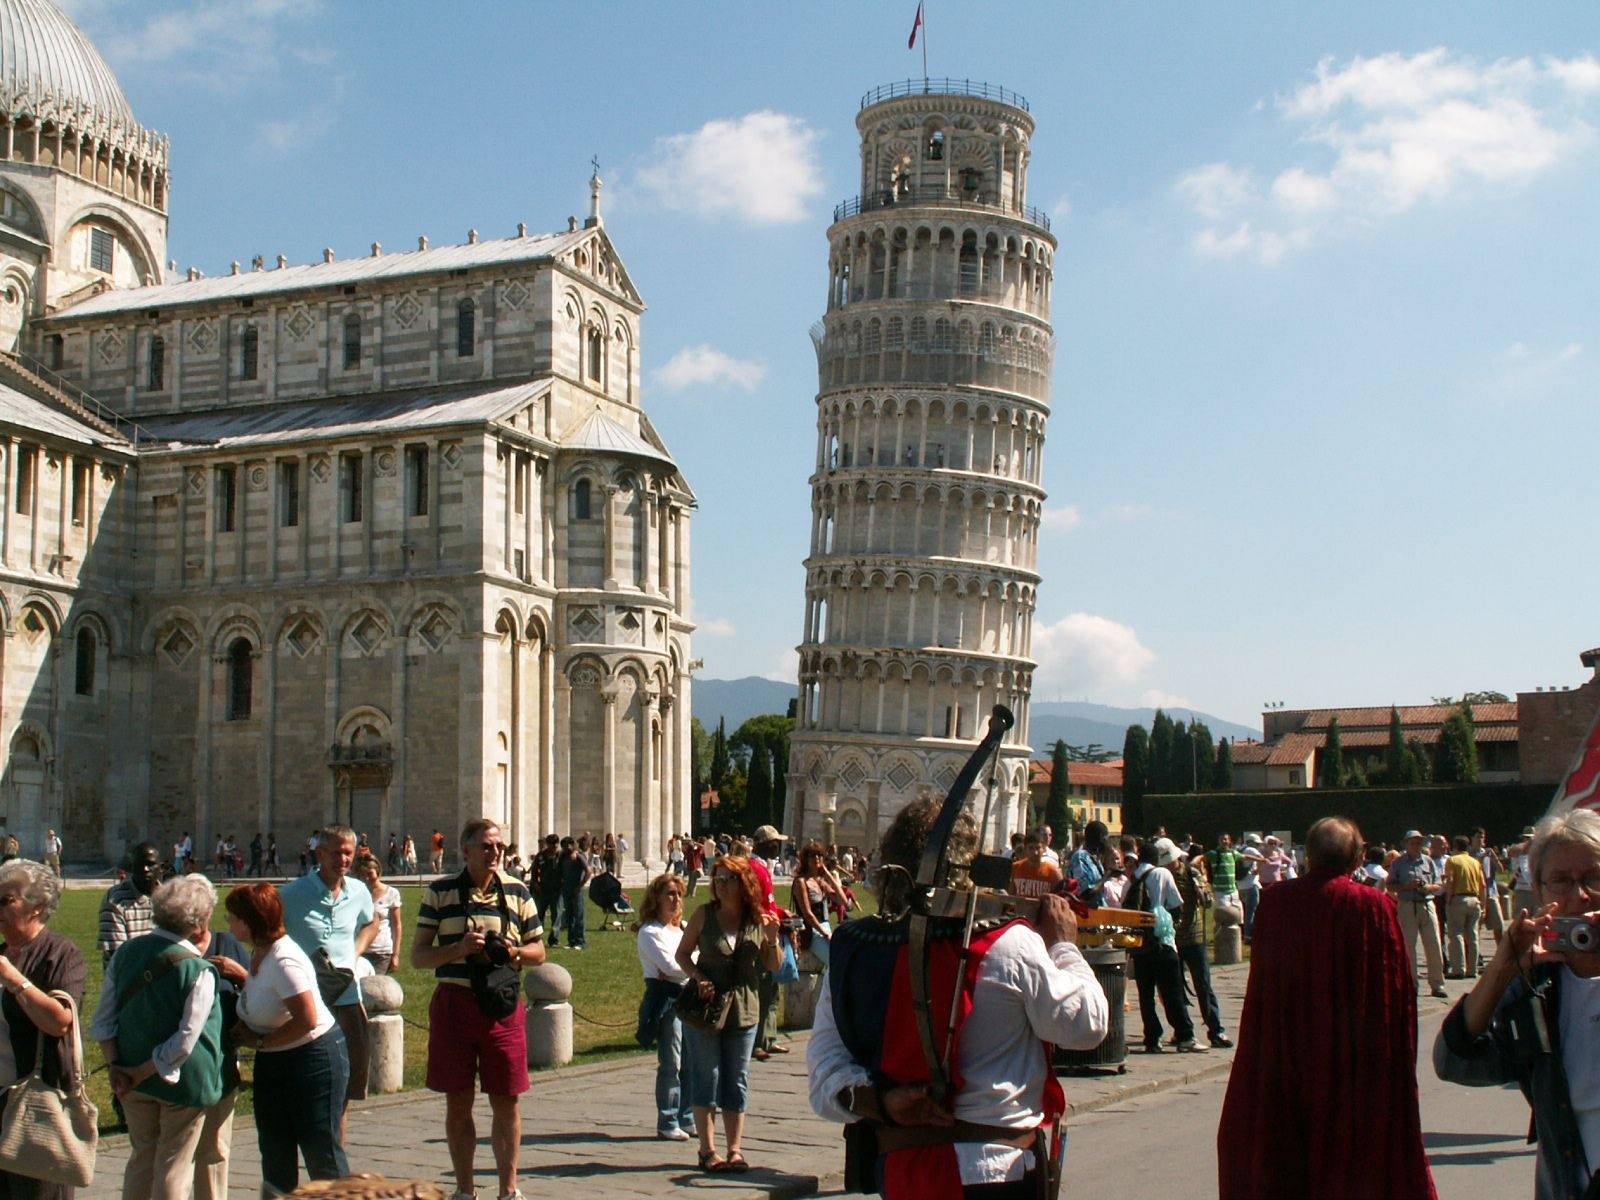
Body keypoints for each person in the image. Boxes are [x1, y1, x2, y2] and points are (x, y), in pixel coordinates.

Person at [806, 796, 1109, 1199]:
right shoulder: (1012, 944)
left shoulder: (857, 949)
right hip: (997, 1176)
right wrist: (1064, 946)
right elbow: (1086, 1025)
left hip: (906, 1177)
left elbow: (826, 1072)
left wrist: (881, 1101)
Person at [1219, 817, 1436, 1200]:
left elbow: (1263, 984)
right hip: (1353, 1056)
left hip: (1289, 1051)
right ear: (1356, 860)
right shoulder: (1373, 906)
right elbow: (1395, 991)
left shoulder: (1276, 902)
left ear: (1309, 856)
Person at [1434, 808, 1600, 1200]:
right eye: (1561, 881)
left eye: (1594, 877)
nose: (1579, 897)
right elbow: (1454, 1063)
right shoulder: (1535, 985)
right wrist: (1502, 968)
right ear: (1539, 891)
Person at [413, 818, 545, 1200]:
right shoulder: (440, 892)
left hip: (501, 1005)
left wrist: (514, 951)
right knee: (458, 1098)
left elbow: (539, 951)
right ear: (465, 849)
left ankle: (508, 1189)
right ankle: (465, 1190)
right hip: (454, 1003)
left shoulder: (518, 892)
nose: (495, 853)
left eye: (499, 846)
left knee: (507, 1098)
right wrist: (458, 949)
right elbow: (419, 956)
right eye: (486, 846)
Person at [91, 874, 226, 1200]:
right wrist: (139, 1071)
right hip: (182, 1082)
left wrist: (117, 1068)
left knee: (141, 1159)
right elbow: (186, 1038)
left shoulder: (125, 953)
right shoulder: (199, 969)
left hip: (130, 1077)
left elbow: (102, 1020)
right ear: (201, 923)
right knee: (174, 1165)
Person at [218, 882, 349, 1192]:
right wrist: (244, 977)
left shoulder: (285, 960)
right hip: (277, 1062)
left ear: (249, 923)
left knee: (322, 1152)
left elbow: (307, 1019)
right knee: (275, 1150)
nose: (228, 922)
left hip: (313, 1060)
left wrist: (259, 1042)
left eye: (232, 916)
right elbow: (269, 992)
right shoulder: (260, 953)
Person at [675, 855, 784, 1172]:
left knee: (737, 1079)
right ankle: (707, 1150)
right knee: (706, 1075)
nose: (721, 886)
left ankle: (735, 1149)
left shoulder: (757, 919)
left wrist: (774, 939)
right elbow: (682, 954)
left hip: (745, 1010)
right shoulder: (704, 915)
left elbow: (773, 964)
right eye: (718, 880)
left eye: (728, 880)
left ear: (743, 883)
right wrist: (698, 978)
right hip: (707, 1010)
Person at [278, 825, 379, 1133]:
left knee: (345, 1086)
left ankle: (334, 1157)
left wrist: (353, 955)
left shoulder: (359, 891)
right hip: (308, 1002)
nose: (343, 859)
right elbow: (270, 936)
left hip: (347, 1000)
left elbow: (371, 923)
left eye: (348, 852)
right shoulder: (292, 895)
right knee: (305, 1087)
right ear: (319, 854)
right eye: (336, 853)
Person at [0, 859, 86, 1200]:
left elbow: (60, 1022)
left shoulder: (60, 954)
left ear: (37, 907)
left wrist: (14, 980)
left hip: (35, 1107)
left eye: (7, 901)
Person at [635, 873, 695, 1141]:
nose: (675, 899)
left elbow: (694, 959)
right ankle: (668, 1119)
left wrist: (687, 965)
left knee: (691, 1061)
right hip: (666, 999)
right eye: (670, 894)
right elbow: (671, 967)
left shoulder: (680, 929)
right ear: (656, 898)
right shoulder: (649, 932)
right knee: (671, 1060)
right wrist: (688, 965)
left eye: (679, 894)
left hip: (687, 996)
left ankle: (687, 1115)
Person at [1127, 837, 1200, 1053]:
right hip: (1162, 941)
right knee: (1171, 991)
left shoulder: (1134, 878)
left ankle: (1152, 1038)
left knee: (1146, 995)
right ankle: (1185, 1035)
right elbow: (1176, 905)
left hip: (1141, 944)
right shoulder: (1162, 873)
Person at [1171, 842, 1231, 1048]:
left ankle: (1216, 1030)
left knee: (1203, 985)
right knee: (1176, 988)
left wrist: (1201, 890)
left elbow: (1208, 900)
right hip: (1174, 938)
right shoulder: (1163, 875)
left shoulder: (1191, 872)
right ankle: (1182, 1030)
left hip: (1194, 937)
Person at [1388, 829, 1448, 998]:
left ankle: (1437, 984)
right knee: (1409, 947)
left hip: (1427, 904)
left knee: (1434, 944)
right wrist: (1407, 886)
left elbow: (1438, 885)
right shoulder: (1398, 864)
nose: (1416, 845)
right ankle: (1411, 984)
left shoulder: (1428, 861)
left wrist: (1427, 887)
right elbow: (1390, 885)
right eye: (1412, 842)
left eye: (1418, 842)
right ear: (1406, 845)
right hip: (1407, 904)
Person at [98, 841, 162, 965]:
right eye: (139, 864)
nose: (145, 869)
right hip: (126, 980)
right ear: (132, 867)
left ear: (161, 867)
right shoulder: (115, 900)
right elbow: (118, 957)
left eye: (150, 864)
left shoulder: (171, 899)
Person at [1442, 833, 1486, 979]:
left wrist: (1448, 899)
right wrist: (1483, 905)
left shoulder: (1452, 860)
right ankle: (1472, 970)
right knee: (1472, 936)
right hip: (1475, 900)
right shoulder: (1475, 862)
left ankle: (1458, 969)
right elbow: (1483, 885)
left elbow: (1450, 881)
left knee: (1456, 935)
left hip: (1458, 899)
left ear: (1454, 846)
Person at [792, 841, 842, 966]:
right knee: (836, 963)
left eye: (819, 855)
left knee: (840, 962)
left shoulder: (820, 881)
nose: (817, 858)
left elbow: (843, 901)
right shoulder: (800, 882)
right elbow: (807, 913)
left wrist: (829, 875)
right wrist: (825, 934)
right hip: (812, 931)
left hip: (825, 926)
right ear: (805, 859)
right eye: (812, 855)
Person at [357, 854, 403, 975]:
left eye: (370, 873)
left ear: (377, 871)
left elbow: (397, 925)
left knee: (374, 990)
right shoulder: (358, 893)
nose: (367, 878)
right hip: (360, 950)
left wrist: (396, 955)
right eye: (363, 875)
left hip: (381, 952)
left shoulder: (392, 893)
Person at [1471, 826, 1507, 951]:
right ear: (1472, 839)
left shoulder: (1488, 853)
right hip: (1476, 894)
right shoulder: (1470, 853)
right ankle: (1477, 954)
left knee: (1499, 924)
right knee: (1477, 927)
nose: (1480, 840)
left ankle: (1501, 951)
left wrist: (1494, 858)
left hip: (1491, 893)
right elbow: (1472, 866)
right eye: (1478, 837)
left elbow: (1501, 871)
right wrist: (1482, 856)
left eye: (1482, 837)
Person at [530, 835, 564, 947]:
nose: (554, 846)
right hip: (543, 889)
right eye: (551, 844)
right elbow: (534, 871)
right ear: (547, 844)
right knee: (539, 915)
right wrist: (535, 884)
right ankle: (537, 938)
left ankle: (553, 939)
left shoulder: (561, 856)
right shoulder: (541, 856)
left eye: (556, 844)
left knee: (557, 914)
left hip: (557, 890)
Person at [1009, 830, 1064, 898]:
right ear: (1025, 849)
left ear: (1043, 849)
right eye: (1031, 848)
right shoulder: (1015, 868)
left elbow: (1060, 901)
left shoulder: (1053, 873)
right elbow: (1010, 896)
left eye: (1038, 848)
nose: (1035, 852)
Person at [1066, 820, 1110, 906]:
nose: (1107, 844)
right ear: (1100, 838)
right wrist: (1108, 875)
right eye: (1106, 839)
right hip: (1084, 915)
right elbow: (1086, 894)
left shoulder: (1095, 859)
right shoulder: (1080, 857)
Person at [559, 835, 591, 950]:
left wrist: (580, 885)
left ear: (572, 845)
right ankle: (571, 941)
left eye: (567, 846)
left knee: (579, 915)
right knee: (569, 915)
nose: (565, 849)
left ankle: (580, 941)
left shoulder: (579, 856)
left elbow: (588, 871)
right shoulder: (563, 857)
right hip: (566, 889)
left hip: (576, 890)